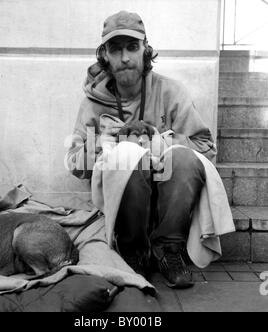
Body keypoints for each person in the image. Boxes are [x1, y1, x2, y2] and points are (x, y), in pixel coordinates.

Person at [66, 11, 217, 289]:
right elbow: (75, 163)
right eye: (116, 49)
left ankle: (168, 250)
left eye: (132, 47)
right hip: (122, 214)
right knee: (127, 155)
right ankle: (134, 254)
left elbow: (205, 148)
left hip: (167, 207)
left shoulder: (171, 92)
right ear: (105, 56)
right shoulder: (93, 102)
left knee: (183, 158)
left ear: (145, 49)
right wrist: (103, 143)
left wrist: (162, 141)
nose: (125, 58)